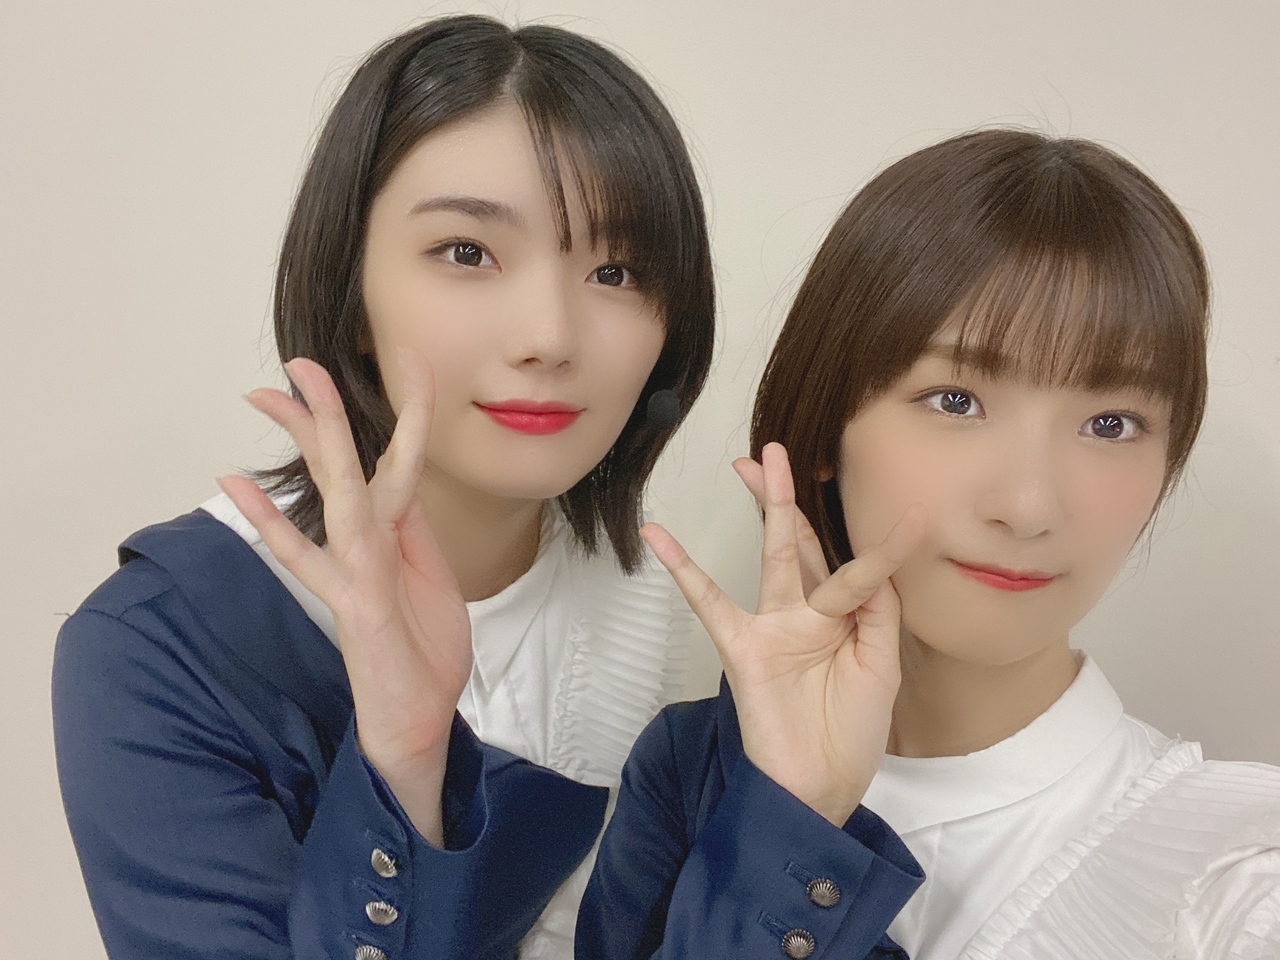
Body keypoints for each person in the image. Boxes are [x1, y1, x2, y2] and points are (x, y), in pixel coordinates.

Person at [52, 15, 718, 959]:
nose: (550, 336)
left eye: (615, 270)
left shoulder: (647, 598)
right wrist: (405, 767)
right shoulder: (161, 644)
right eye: (467, 252)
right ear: (352, 291)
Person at [580, 129, 1280, 959]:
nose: (1028, 506)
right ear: (826, 431)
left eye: (1110, 424)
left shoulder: (1234, 874)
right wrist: (791, 818)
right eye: (955, 401)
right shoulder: (693, 774)